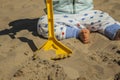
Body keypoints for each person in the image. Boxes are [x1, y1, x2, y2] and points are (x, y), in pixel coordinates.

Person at [37, 10, 120, 44]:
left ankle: (116, 31)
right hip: (61, 16)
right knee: (43, 23)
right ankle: (77, 32)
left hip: (88, 14)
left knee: (103, 17)